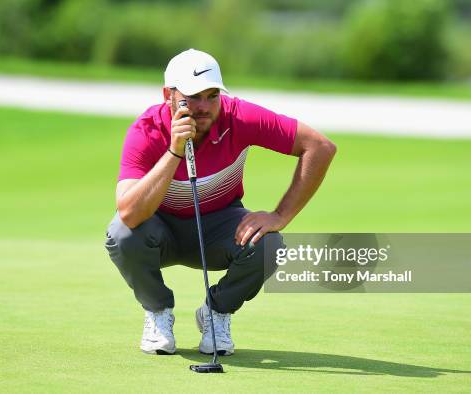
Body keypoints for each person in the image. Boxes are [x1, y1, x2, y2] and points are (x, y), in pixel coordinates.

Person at [105, 48, 336, 356]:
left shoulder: (238, 117)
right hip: (159, 232)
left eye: (212, 95)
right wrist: (174, 150)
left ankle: (216, 314)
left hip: (219, 227)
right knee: (121, 233)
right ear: (168, 95)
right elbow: (130, 214)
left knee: (268, 243)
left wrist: (280, 215)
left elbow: (320, 147)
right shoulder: (146, 131)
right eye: (192, 96)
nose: (204, 107)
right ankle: (158, 313)